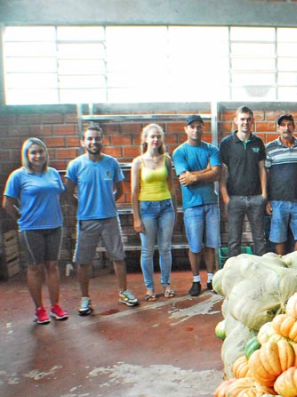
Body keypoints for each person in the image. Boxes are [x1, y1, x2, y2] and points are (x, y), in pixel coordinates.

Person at [65, 124, 139, 315]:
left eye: (97, 138)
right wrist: (82, 207)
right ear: (83, 142)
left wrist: (105, 203)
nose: (93, 142)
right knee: (83, 261)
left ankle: (123, 292)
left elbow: (119, 190)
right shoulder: (75, 165)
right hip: (86, 220)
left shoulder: (111, 163)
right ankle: (85, 298)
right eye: (89, 138)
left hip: (110, 218)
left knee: (118, 257)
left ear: (102, 140)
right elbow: (68, 193)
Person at [3, 138, 69, 324]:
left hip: (54, 226)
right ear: (26, 155)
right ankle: (39, 309)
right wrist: (21, 218)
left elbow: (59, 195)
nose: (38, 155)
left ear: (45, 153)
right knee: (35, 267)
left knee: (52, 266)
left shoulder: (53, 173)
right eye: (33, 152)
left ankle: (55, 306)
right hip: (31, 229)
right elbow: (7, 203)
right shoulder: (18, 176)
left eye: (41, 151)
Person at [173, 114, 222, 296]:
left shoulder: (212, 149)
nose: (195, 130)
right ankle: (195, 281)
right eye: (191, 126)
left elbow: (217, 174)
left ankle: (210, 279)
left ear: (203, 128)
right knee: (195, 246)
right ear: (186, 129)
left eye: (198, 126)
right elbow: (185, 179)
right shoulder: (179, 152)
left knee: (210, 244)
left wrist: (198, 175)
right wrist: (207, 170)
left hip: (211, 203)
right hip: (192, 205)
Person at [130, 124, 176, 302]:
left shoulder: (166, 160)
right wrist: (136, 218)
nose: (155, 140)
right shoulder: (138, 162)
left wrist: (175, 210)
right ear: (145, 139)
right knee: (147, 250)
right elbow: (134, 191)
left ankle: (166, 284)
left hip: (166, 207)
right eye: (152, 136)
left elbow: (171, 186)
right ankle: (149, 287)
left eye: (158, 136)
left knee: (165, 248)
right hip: (146, 208)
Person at [219, 106, 268, 257]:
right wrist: (225, 197)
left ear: (252, 121)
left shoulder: (257, 142)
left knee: (260, 239)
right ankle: (233, 269)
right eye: (242, 119)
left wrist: (264, 195)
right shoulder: (226, 143)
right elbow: (222, 171)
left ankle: (261, 268)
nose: (245, 122)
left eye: (248, 119)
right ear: (235, 121)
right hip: (234, 198)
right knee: (234, 240)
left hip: (256, 198)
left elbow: (262, 169)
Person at [264, 113, 297, 255]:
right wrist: (266, 200)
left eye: (289, 124)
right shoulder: (270, 148)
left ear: (294, 127)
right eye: (283, 125)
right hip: (277, 201)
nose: (286, 128)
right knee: (279, 237)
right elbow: (265, 175)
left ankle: (292, 262)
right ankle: (282, 262)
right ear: (278, 128)